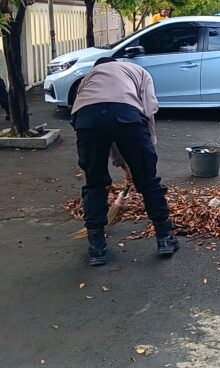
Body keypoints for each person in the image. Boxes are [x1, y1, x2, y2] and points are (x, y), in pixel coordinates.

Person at [71, 57, 177, 266]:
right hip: (127, 115)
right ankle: (165, 238)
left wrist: (124, 163)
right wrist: (142, 158)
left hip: (86, 120)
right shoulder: (137, 70)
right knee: (148, 181)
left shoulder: (88, 78)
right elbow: (149, 110)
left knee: (94, 183)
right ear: (116, 62)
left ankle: (97, 249)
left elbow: (102, 125)